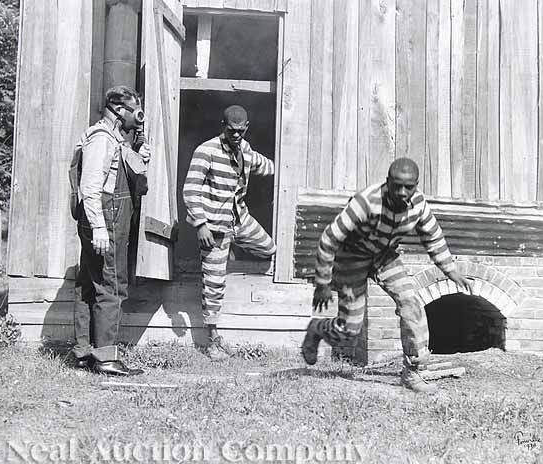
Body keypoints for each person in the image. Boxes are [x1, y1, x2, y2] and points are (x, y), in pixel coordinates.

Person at [301, 158, 472, 393]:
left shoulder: (419, 205)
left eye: (408, 187)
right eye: (396, 186)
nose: (402, 192)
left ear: (416, 185)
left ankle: (413, 372)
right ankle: (317, 328)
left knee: (411, 303)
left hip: (384, 256)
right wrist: (322, 282)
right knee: (349, 331)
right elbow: (329, 239)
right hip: (351, 257)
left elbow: (433, 238)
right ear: (387, 182)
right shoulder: (366, 202)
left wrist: (451, 270)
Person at [183, 105, 276, 361]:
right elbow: (190, 190)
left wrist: (290, 169)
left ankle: (229, 256)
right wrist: (200, 224)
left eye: (240, 131)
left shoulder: (245, 149)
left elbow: (266, 166)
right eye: (231, 130)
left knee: (269, 248)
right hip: (213, 228)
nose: (235, 135)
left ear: (246, 128)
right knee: (213, 284)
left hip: (239, 220)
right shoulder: (206, 150)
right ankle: (212, 340)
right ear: (222, 126)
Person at [69, 85, 150, 376]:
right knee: (111, 285)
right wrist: (100, 229)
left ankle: (84, 352)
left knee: (89, 283)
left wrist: (138, 152)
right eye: (134, 111)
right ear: (118, 109)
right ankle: (106, 358)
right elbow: (90, 188)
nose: (138, 117)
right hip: (105, 219)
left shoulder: (113, 139)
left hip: (103, 217)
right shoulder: (102, 139)